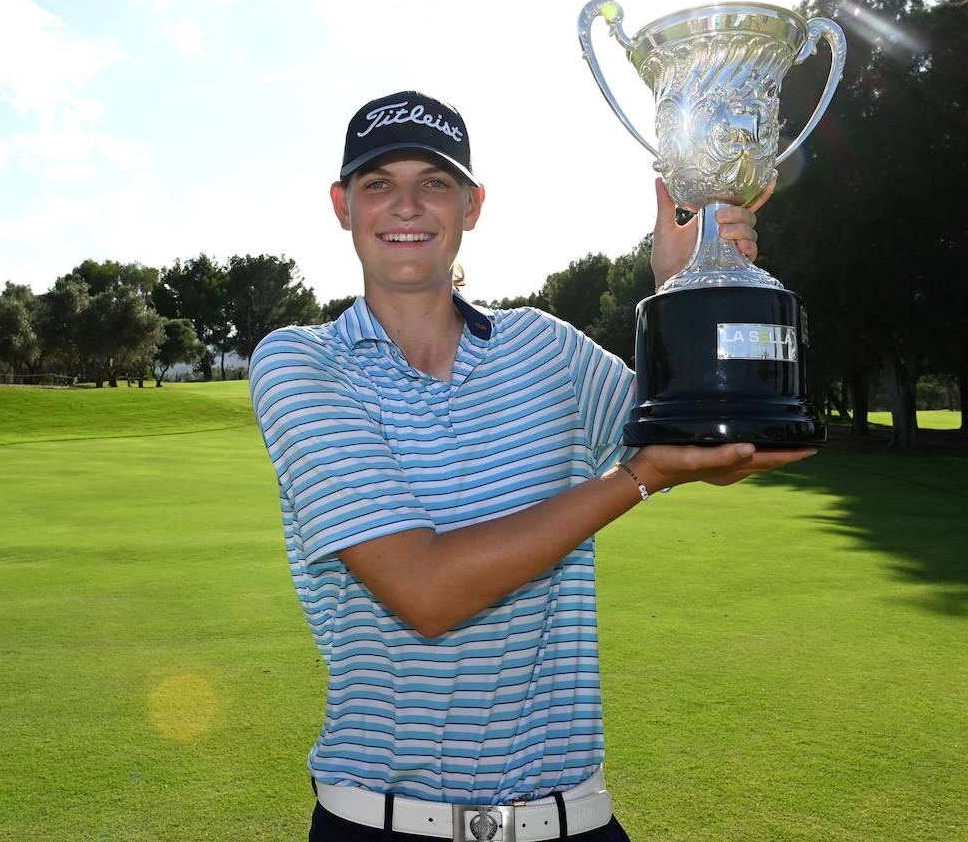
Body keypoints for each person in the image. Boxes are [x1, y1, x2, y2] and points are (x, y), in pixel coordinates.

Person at [249, 91, 814, 842]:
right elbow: (425, 590)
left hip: (567, 820)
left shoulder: (547, 347)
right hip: (378, 824)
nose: (407, 205)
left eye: (436, 183)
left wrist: (688, 289)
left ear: (473, 204)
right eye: (379, 183)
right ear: (341, 205)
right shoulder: (298, 361)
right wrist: (635, 479)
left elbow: (727, 445)